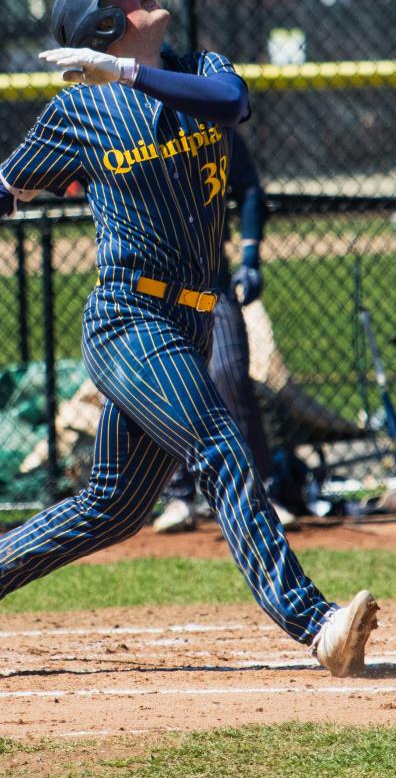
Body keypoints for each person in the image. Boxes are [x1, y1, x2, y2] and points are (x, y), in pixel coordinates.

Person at [0, 0, 377, 680]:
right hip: (129, 317)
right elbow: (0, 187)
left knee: (114, 505)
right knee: (221, 445)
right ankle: (315, 624)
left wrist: (123, 71)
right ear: (98, 22)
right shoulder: (76, 111)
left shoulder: (201, 67)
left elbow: (230, 102)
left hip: (192, 318)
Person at [151, 127, 295, 533]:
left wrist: (250, 256)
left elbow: (249, 189)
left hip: (210, 278)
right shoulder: (133, 127)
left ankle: (261, 493)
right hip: (154, 284)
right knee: (168, 385)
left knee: (230, 373)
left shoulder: (213, 125)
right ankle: (179, 497)